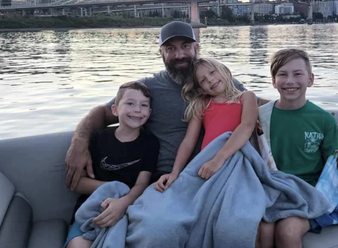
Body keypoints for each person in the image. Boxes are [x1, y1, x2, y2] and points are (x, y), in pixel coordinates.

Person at [64, 21, 247, 190]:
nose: (180, 55)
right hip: (166, 180)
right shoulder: (149, 88)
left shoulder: (220, 82)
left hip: (217, 171)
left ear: (196, 48)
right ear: (161, 52)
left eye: (185, 46)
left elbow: (256, 105)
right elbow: (103, 113)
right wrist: (79, 142)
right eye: (170, 49)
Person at [62, 81, 159, 248]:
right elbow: (75, 183)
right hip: (90, 209)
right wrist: (114, 189)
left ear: (150, 113)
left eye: (144, 106)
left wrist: (123, 201)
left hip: (129, 208)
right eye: (130, 103)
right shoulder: (97, 139)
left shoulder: (150, 144)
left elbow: (142, 184)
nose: (137, 110)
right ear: (115, 110)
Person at [256, 49, 338, 248]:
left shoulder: (325, 120)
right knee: (263, 231)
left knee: (288, 231)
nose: (290, 81)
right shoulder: (261, 117)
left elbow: (331, 169)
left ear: (310, 79)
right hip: (272, 189)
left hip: (307, 193)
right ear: (273, 82)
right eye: (282, 74)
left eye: (297, 74)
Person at [154, 58, 258, 191]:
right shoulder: (202, 104)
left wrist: (219, 159)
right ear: (201, 90)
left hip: (235, 157)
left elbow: (247, 127)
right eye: (203, 80)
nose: (210, 79)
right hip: (208, 162)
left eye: (212, 72)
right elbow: (189, 141)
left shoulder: (246, 97)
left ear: (225, 70)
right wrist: (175, 172)